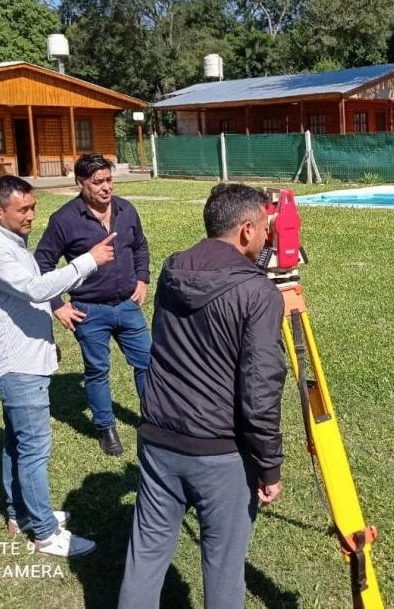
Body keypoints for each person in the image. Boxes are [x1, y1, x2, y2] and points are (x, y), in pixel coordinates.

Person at [119, 183, 287, 609]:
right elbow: (261, 389)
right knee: (224, 566)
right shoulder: (259, 293)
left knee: (146, 555)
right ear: (247, 230)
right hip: (219, 454)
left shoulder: (173, 268)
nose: (269, 237)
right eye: (266, 228)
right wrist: (269, 465)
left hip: (158, 438)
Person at [0, 175, 117, 557]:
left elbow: (27, 297)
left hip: (26, 357)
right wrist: (88, 261)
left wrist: (46, 344)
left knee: (17, 441)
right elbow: (36, 289)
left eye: (33, 207)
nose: (32, 215)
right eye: (24, 210)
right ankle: (45, 534)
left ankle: (20, 514)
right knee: (34, 448)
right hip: (15, 365)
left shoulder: (10, 240)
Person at [34, 154, 152, 457]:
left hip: (128, 304)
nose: (105, 187)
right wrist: (57, 304)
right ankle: (105, 427)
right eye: (97, 182)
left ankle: (154, 419)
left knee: (148, 362)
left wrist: (142, 279)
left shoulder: (126, 210)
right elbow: (42, 264)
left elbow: (140, 245)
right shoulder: (64, 220)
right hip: (89, 309)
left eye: (109, 180)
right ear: (80, 183)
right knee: (97, 370)